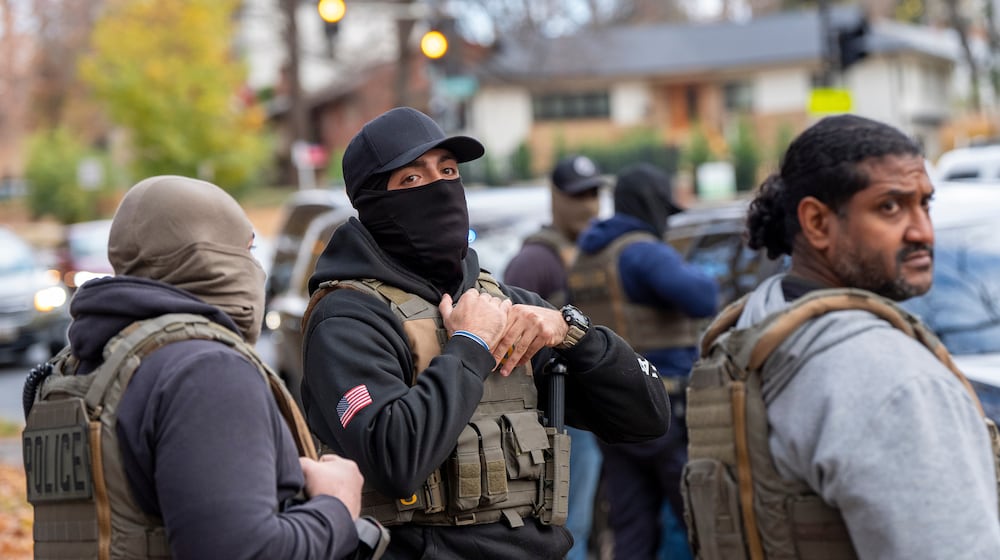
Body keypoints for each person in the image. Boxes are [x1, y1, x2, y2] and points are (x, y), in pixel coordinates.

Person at [300, 106, 671, 559]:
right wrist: (470, 346)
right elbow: (394, 460)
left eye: (448, 171)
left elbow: (648, 417)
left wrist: (573, 332)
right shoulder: (348, 318)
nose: (439, 188)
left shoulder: (507, 303)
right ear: (372, 202)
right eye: (412, 180)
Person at [686, 114, 1000, 558]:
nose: (922, 232)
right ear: (816, 222)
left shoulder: (761, 320)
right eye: (890, 207)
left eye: (924, 204)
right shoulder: (892, 379)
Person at [22, 175, 368, 559]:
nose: (258, 269)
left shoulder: (85, 367)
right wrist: (336, 506)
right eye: (247, 249)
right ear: (208, 255)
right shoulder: (205, 370)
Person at [568, 162, 719, 559]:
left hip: (612, 409)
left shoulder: (589, 256)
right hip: (664, 406)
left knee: (631, 525)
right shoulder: (643, 252)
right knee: (701, 522)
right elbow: (704, 297)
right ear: (650, 205)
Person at [503, 154, 608, 560]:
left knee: (586, 521)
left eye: (594, 193)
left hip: (588, 409)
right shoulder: (535, 260)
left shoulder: (591, 250)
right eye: (578, 194)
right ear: (555, 197)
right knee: (568, 527)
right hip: (558, 417)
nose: (588, 204)